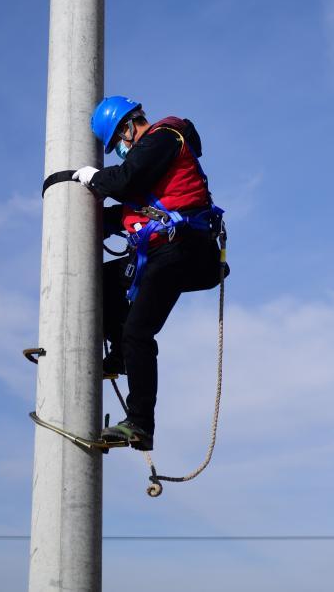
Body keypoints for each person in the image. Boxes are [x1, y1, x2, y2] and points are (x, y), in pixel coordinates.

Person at [72, 96, 227, 451]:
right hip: (164, 250)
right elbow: (128, 206)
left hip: (182, 248)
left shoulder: (163, 139)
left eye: (118, 144)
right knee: (100, 283)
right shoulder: (152, 166)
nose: (120, 151)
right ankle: (121, 357)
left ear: (128, 128)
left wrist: (95, 178)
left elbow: (126, 180)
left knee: (138, 331)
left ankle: (140, 424)